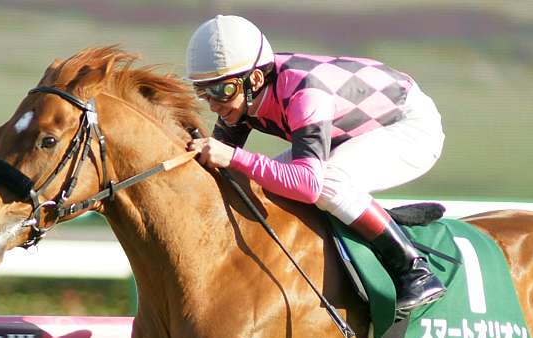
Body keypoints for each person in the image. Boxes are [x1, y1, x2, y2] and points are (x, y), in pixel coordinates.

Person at [185, 15, 446, 313]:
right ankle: (369, 216)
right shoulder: (243, 94)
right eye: (203, 91)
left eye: (221, 91)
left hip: (409, 126)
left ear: (254, 79)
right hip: (349, 127)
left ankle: (415, 271)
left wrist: (233, 157)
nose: (213, 104)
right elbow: (219, 168)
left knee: (327, 183)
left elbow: (307, 185)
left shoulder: (305, 93)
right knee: (264, 185)